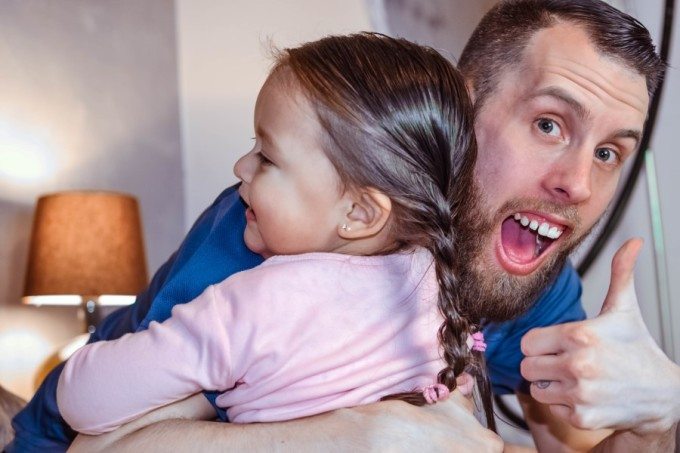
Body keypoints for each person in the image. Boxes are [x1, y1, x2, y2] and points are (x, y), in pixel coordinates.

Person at [8, 0, 679, 451]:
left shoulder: (531, 275)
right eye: (548, 124)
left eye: (609, 151)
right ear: (459, 108)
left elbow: (571, 437)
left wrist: (660, 407)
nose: (580, 183)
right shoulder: (273, 231)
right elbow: (103, 444)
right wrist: (355, 433)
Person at [55, 32, 492, 434]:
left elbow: (82, 398)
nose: (241, 168)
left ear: (359, 213)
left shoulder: (258, 306)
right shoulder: (434, 285)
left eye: (266, 157)